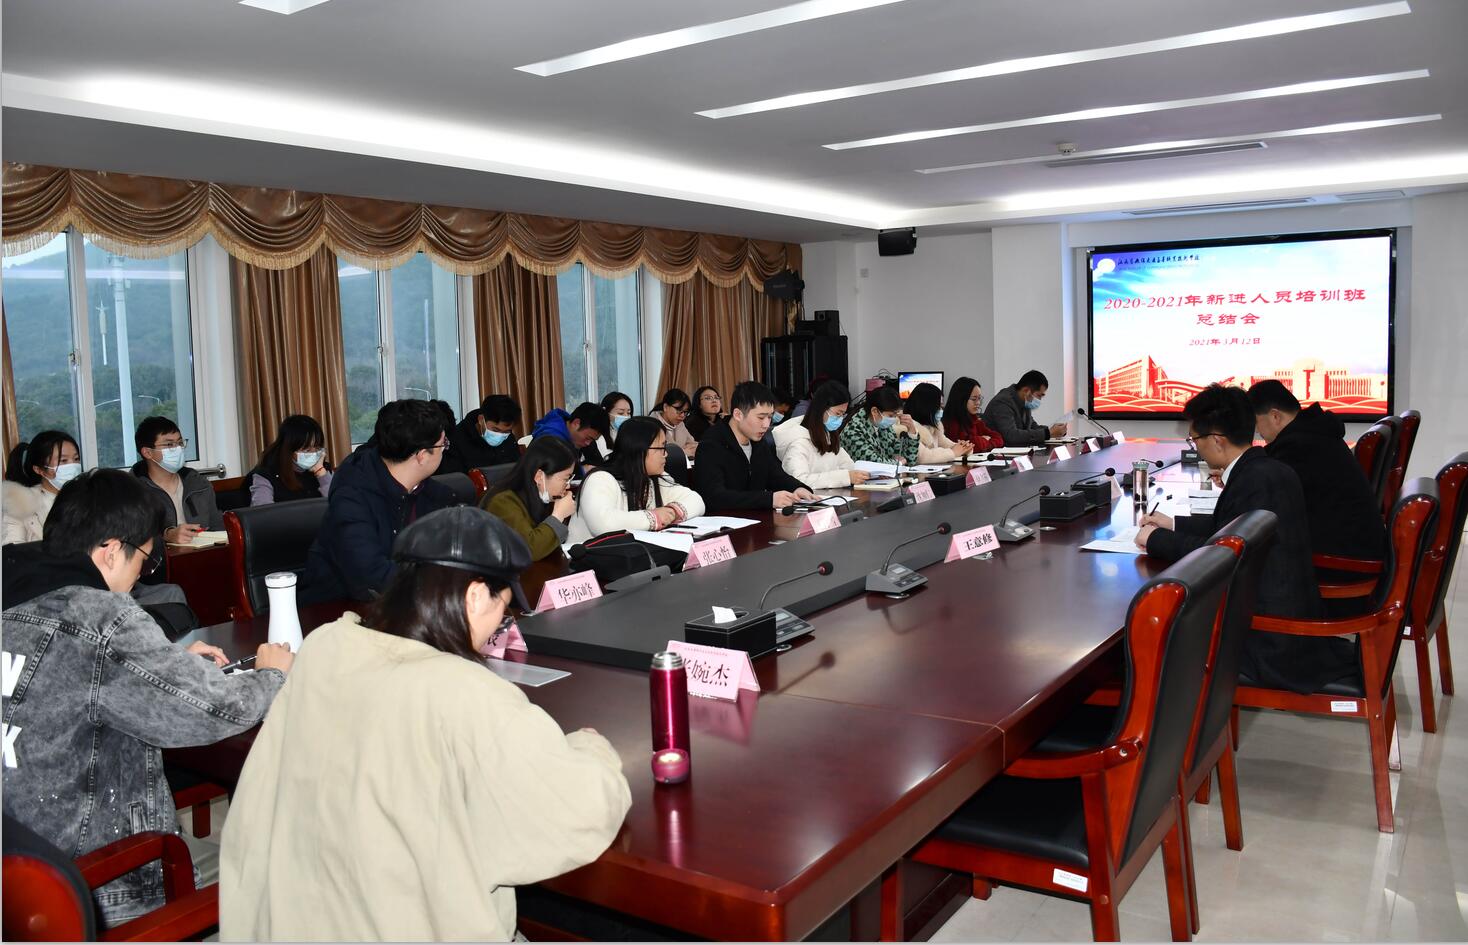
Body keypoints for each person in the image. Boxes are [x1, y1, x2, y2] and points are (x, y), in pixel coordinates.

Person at [220, 507, 630, 941]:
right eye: (504, 609)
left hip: (289, 922)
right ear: (476, 597)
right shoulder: (467, 692)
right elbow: (577, 816)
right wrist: (592, 748)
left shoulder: (324, 645)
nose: (499, 625)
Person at [2, 469, 292, 929]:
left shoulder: (15, 592)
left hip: (21, 874)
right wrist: (273, 675)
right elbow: (216, 710)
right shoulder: (101, 617)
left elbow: (74, 679)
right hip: (98, 881)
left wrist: (161, 662)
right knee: (276, 882)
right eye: (145, 559)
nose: (142, 575)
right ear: (111, 550)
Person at [1135, 384, 1353, 694]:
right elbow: (1231, 527)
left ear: (1217, 440)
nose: (1195, 447)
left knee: (1157, 638)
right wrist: (1173, 524)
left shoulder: (1255, 481)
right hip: (1285, 628)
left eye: (1194, 439)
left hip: (1270, 643)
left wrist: (1155, 539)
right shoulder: (1266, 469)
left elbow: (1220, 557)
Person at [301, 399, 457, 603]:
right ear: (421, 456)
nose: (445, 450)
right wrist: (440, 581)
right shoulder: (351, 497)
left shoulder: (434, 493)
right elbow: (371, 577)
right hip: (334, 609)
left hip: (404, 603)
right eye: (443, 444)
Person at [1248, 379, 1387, 562]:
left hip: (1345, 558)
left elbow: (1270, 492)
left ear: (1275, 416)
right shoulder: (1313, 432)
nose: (1257, 431)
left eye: (1256, 422)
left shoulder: (1299, 446)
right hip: (1356, 543)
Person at [568, 417, 706, 543]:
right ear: (639, 449)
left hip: (633, 556)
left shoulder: (656, 478)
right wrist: (655, 518)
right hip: (590, 559)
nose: (666, 454)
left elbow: (697, 501)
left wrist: (672, 512)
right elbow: (604, 524)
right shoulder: (600, 479)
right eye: (661, 448)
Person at [693, 381, 815, 510]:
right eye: (761, 418)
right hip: (724, 519)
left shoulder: (758, 442)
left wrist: (798, 488)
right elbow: (714, 497)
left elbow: (776, 475)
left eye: (770, 417)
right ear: (738, 415)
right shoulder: (711, 445)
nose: (766, 425)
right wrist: (769, 499)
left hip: (755, 517)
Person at [481, 436, 578, 561]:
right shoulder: (503, 502)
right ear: (539, 476)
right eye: (566, 479)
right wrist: (558, 515)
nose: (568, 485)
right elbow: (528, 550)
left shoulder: (543, 497)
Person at [130, 416, 223, 542]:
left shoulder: (198, 483)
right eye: (169, 444)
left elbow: (218, 528)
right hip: (161, 555)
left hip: (204, 552)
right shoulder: (132, 491)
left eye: (180, 443)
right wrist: (167, 536)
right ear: (147, 452)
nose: (178, 449)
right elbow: (132, 538)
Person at [771, 380, 871, 489]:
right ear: (821, 409)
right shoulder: (798, 442)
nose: (840, 419)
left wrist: (862, 475)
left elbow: (848, 466)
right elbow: (798, 481)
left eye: (843, 414)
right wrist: (845, 478)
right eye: (838, 414)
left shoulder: (829, 436)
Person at [3, 430, 82, 543]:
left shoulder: (89, 497)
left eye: (76, 459)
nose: (72, 466)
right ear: (39, 469)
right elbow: (12, 549)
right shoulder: (19, 504)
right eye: (63, 460)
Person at [247, 414, 332, 505]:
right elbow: (263, 511)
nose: (313, 454)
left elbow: (338, 504)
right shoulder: (266, 475)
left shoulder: (323, 470)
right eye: (307, 450)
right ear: (288, 449)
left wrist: (321, 474)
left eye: (317, 448)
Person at [982, 370, 1066, 447]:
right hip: (998, 454)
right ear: (1026, 391)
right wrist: (1048, 433)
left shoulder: (1024, 401)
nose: (1040, 400)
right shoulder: (1003, 402)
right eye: (1039, 395)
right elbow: (1011, 435)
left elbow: (1033, 427)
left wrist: (1055, 431)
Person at [841, 386, 921, 467]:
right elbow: (872, 463)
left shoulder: (883, 426)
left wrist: (912, 432)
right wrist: (899, 463)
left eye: (896, 415)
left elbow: (908, 460)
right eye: (891, 415)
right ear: (874, 411)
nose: (894, 419)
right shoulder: (853, 431)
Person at [444, 394, 523, 474]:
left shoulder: (509, 438)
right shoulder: (456, 439)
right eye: (495, 430)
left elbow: (517, 468)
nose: (500, 435)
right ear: (481, 420)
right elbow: (454, 477)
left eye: (506, 432)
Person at [902, 382, 973, 464]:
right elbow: (923, 457)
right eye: (938, 407)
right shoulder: (907, 426)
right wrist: (953, 452)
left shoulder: (934, 427)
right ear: (926, 407)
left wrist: (964, 448)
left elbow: (948, 445)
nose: (941, 410)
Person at [531, 402, 611, 472]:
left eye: (593, 440)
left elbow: (597, 463)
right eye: (588, 438)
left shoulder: (582, 437)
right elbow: (551, 471)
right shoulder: (550, 437)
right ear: (576, 423)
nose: (588, 443)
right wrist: (582, 470)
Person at [943, 377, 1005, 452]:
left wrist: (983, 442)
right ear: (961, 399)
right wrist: (984, 439)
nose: (978, 403)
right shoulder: (951, 423)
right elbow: (970, 446)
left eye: (979, 398)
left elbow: (999, 439)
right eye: (974, 399)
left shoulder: (975, 420)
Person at [584, 391, 635, 466]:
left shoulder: (631, 436)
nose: (626, 417)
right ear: (606, 412)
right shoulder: (596, 438)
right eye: (620, 413)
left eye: (628, 413)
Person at [651, 388, 698, 457]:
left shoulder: (680, 424)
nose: (682, 415)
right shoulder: (651, 425)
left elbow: (693, 444)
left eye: (685, 412)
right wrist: (683, 452)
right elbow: (657, 453)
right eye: (679, 410)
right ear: (665, 407)